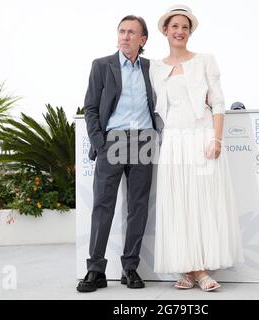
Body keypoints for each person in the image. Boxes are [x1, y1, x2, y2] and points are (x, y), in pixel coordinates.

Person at [150, 4, 243, 291]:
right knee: (179, 206)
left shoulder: (205, 61)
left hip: (202, 138)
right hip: (174, 143)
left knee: (203, 204)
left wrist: (216, 139)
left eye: (185, 27)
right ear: (165, 30)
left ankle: (199, 271)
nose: (180, 31)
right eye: (175, 26)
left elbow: (217, 103)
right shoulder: (153, 67)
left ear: (190, 32)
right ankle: (190, 270)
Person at [77, 15, 157, 292]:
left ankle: (130, 268)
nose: (125, 36)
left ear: (142, 39)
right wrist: (100, 144)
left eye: (131, 32)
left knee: (137, 207)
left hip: (144, 140)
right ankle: (95, 270)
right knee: (103, 206)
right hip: (112, 140)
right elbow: (90, 108)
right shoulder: (102, 66)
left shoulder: (152, 68)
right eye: (122, 31)